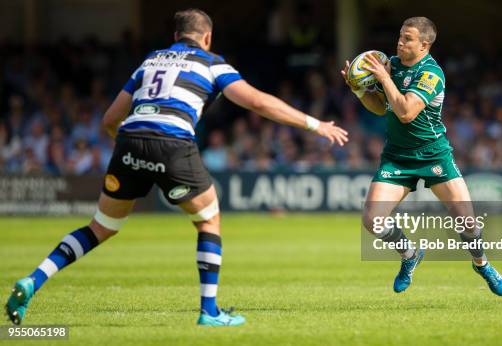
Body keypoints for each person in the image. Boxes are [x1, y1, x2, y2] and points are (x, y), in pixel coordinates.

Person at [5, 8, 348, 327]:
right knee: (209, 218)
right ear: (207, 37)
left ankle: (33, 279)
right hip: (172, 143)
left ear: (175, 35)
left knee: (101, 226)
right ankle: (209, 312)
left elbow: (111, 119)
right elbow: (257, 101)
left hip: (129, 141)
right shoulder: (212, 62)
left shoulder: (149, 61)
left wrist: (130, 150)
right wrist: (315, 125)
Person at [342, 17, 502, 296]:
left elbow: (406, 112)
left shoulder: (432, 73)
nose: (400, 42)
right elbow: (382, 108)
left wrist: (383, 78)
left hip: (433, 155)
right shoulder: (390, 64)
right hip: (397, 156)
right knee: (373, 220)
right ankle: (410, 254)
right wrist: (358, 88)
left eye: (407, 38)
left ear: (424, 44)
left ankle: (482, 264)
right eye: (400, 36)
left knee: (467, 221)